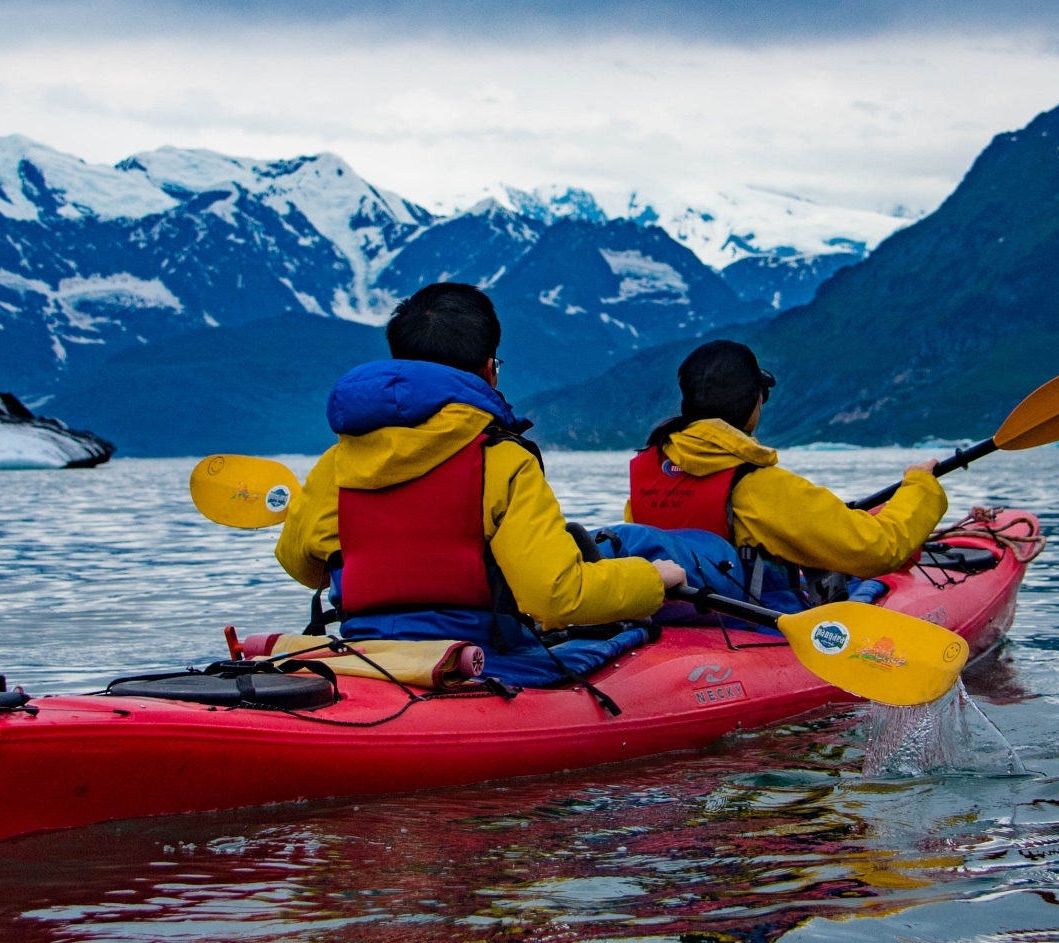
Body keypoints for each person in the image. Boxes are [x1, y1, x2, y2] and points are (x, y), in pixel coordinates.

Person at [276, 283, 686, 684]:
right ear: (489, 369)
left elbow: (301, 564)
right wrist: (654, 579)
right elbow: (556, 597)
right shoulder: (503, 459)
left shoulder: (336, 463)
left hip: (369, 659)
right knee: (631, 635)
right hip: (483, 663)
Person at [624, 340, 945, 607]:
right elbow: (879, 551)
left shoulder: (647, 475)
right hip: (753, 626)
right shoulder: (757, 485)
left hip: (676, 621)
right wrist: (920, 484)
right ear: (753, 403)